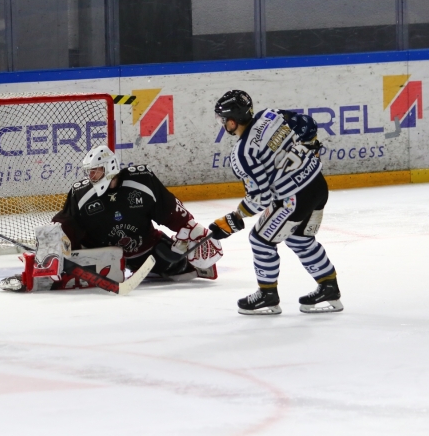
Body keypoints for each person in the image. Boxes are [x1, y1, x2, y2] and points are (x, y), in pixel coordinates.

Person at [208, 90, 343, 315]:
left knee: (260, 240)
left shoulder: (243, 153)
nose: (223, 124)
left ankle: (267, 295)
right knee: (300, 239)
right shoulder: (270, 115)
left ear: (232, 121)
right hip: (318, 186)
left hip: (294, 199)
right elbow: (307, 123)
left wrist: (234, 219)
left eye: (223, 120)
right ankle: (329, 288)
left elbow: (261, 197)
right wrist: (310, 145)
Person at [52, 145, 223, 282]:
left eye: (96, 170)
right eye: (89, 171)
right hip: (101, 255)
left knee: (173, 262)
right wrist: (54, 242)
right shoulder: (81, 193)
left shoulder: (142, 181)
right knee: (70, 269)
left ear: (110, 167)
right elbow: (67, 223)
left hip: (144, 249)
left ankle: (162, 267)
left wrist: (189, 227)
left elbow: (168, 208)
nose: (92, 176)